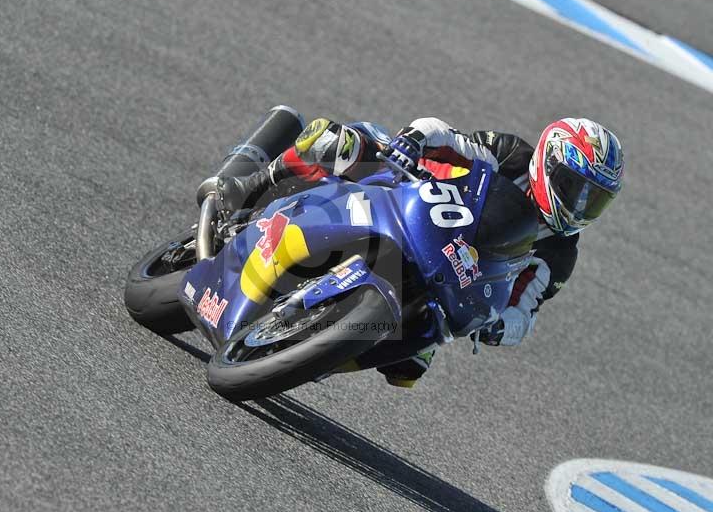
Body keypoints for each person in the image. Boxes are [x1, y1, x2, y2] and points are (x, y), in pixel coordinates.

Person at [217, 116, 625, 387]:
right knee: (339, 144)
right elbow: (447, 137)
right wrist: (414, 141)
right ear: (548, 163)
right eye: (575, 188)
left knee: (409, 367)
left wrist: (500, 327)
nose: (581, 206)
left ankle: (307, 359)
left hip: (447, 281)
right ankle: (251, 186)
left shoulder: (559, 253)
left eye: (595, 200)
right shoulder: (510, 156)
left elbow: (525, 311)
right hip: (410, 197)